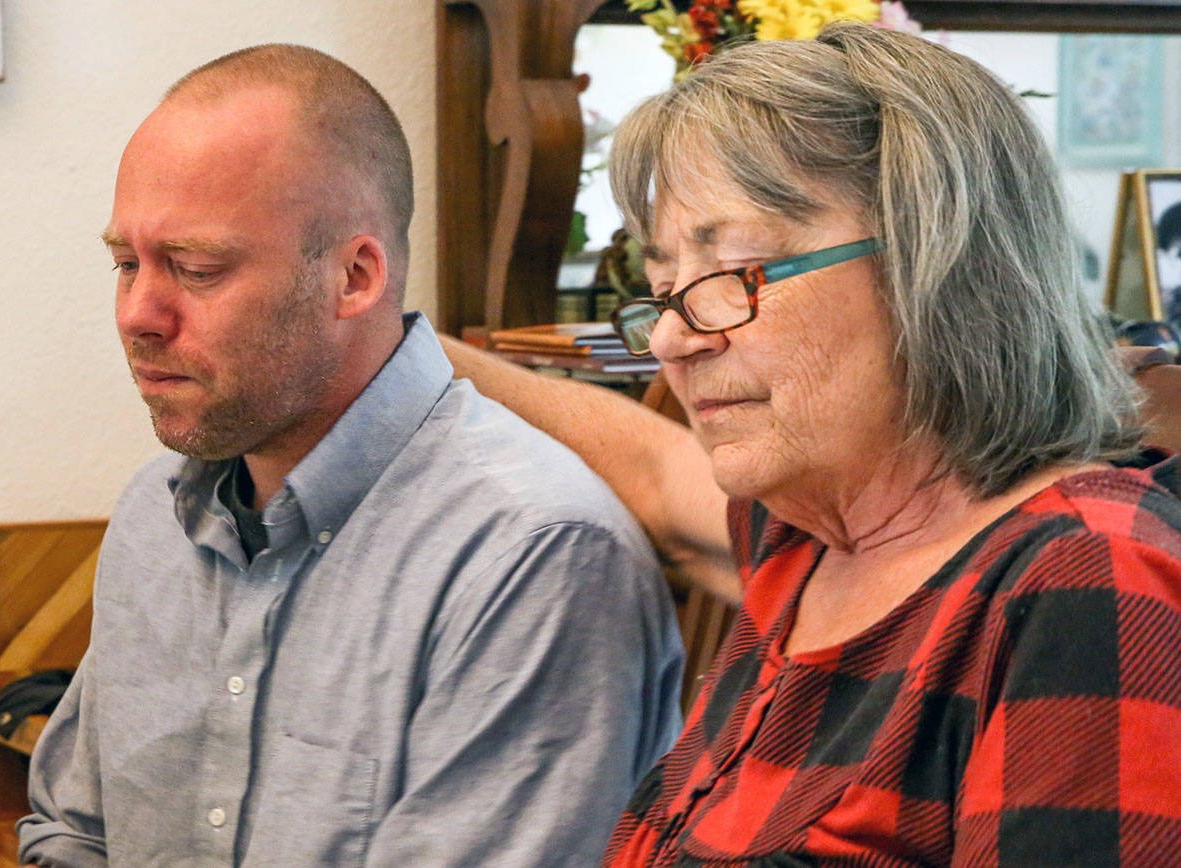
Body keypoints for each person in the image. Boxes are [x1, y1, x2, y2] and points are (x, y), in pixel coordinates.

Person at [444, 23, 1181, 865]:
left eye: (735, 277)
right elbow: (650, 465)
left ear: (936, 267)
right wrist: (401, 350)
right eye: (662, 292)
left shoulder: (1086, 581)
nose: (671, 342)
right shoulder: (802, 531)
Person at [17, 44, 684, 867]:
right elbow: (74, 833)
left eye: (194, 269)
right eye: (126, 264)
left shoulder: (532, 559)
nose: (137, 315)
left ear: (356, 277)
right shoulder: (154, 519)